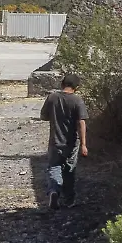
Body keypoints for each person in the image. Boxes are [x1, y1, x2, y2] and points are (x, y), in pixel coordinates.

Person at [40, 73, 89, 209]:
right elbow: (81, 122)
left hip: (55, 141)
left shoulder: (52, 97)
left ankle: (54, 191)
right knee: (69, 170)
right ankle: (69, 199)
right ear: (76, 87)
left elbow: (43, 116)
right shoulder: (77, 101)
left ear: (62, 84)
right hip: (72, 143)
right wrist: (84, 144)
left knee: (54, 167)